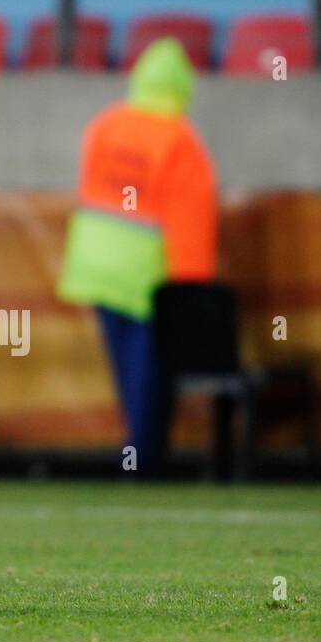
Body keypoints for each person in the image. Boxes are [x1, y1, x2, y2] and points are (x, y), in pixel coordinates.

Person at [57, 38, 220, 473]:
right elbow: (191, 220)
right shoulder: (180, 141)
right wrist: (191, 289)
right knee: (149, 372)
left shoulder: (106, 125)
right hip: (147, 274)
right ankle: (144, 460)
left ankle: (135, 454)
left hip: (96, 265)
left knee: (126, 371)